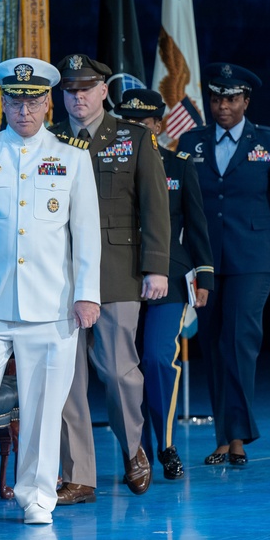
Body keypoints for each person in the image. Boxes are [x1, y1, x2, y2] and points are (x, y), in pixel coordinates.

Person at [0, 57, 101, 526]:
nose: (23, 110)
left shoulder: (72, 157)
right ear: (2, 103)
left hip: (52, 306)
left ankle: (36, 495)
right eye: (14, 100)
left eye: (32, 101)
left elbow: (85, 234)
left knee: (44, 408)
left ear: (48, 102)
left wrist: (87, 293)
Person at [50, 54, 171, 504]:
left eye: (86, 89)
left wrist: (156, 266)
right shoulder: (51, 140)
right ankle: (79, 474)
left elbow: (155, 206)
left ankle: (134, 448)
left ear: (104, 91)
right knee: (66, 377)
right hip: (58, 275)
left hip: (116, 272)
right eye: (70, 90)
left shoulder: (134, 138)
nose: (78, 97)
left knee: (119, 372)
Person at [176, 63, 270, 466]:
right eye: (216, 99)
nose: (222, 107)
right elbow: (182, 207)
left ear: (246, 101)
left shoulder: (268, 142)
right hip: (207, 261)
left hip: (254, 258)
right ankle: (225, 434)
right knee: (215, 344)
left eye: (231, 99)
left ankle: (236, 436)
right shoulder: (192, 141)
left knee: (238, 341)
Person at [117, 88, 214, 480]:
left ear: (158, 125)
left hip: (170, 277)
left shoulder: (179, 165)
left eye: (143, 124)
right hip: (119, 276)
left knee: (157, 359)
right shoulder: (105, 165)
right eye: (128, 124)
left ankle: (166, 444)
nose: (136, 130)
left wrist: (204, 274)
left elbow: (197, 224)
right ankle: (133, 449)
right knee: (122, 367)